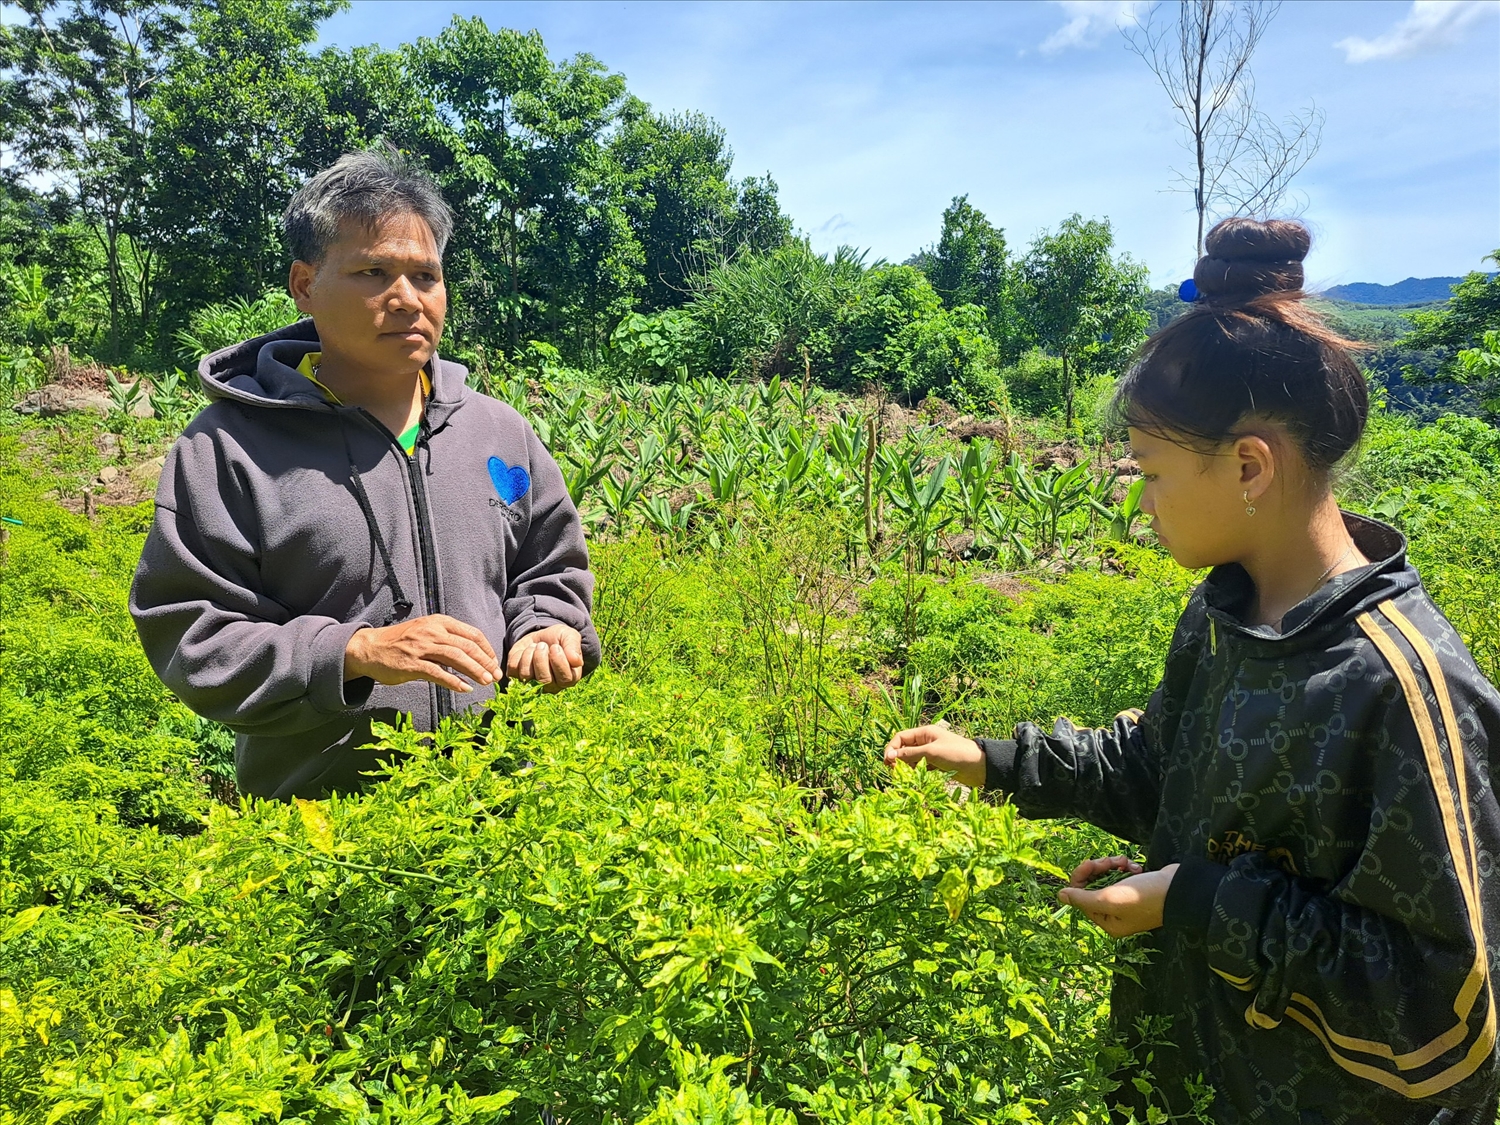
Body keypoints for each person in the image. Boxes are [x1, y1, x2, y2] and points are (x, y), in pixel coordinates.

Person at [884, 218, 1500, 1124]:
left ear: (1250, 465)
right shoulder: (1225, 616)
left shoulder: (1402, 685)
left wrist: (1198, 900)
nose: (1140, 501)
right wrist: (991, 759)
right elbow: (1158, 768)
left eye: (1153, 472)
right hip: (1178, 1084)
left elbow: (1449, 1019)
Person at [130, 148, 600, 801]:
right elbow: (191, 629)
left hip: (501, 823)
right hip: (327, 843)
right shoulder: (228, 449)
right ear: (305, 284)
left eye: (425, 276)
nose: (407, 300)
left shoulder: (499, 433)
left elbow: (547, 565)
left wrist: (548, 625)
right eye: (373, 272)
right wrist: (350, 653)